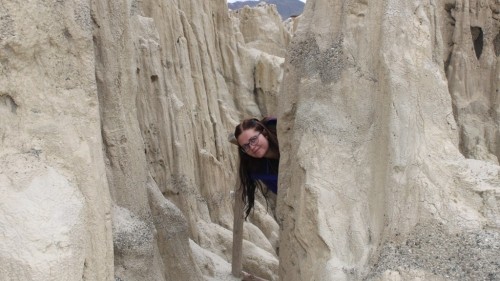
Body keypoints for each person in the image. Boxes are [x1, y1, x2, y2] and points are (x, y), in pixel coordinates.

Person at [233, 117, 280, 219]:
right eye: (246, 146)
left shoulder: (285, 139)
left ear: (265, 134)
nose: (252, 147)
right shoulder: (261, 170)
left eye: (253, 140)